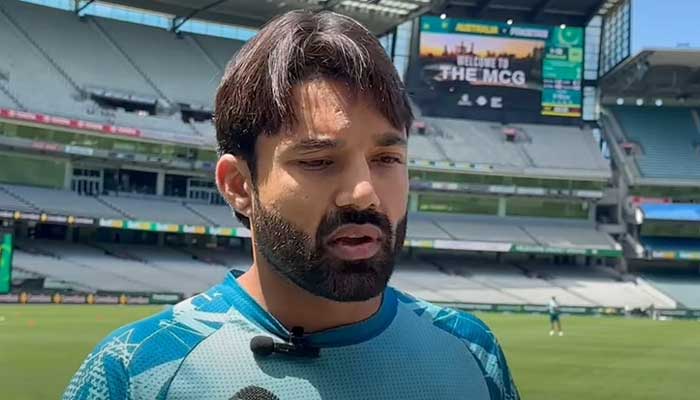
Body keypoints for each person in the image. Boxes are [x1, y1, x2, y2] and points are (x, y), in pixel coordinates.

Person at [63, 10, 519, 400]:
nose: (364, 193)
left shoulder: (473, 353)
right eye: (319, 161)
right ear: (239, 185)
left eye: (386, 159)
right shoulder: (135, 371)